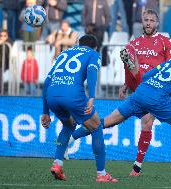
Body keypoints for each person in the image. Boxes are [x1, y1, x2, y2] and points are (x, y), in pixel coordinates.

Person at [68, 36, 171, 181]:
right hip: (159, 98)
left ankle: (71, 138)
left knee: (106, 122)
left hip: (141, 92)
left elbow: (147, 75)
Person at [71, 9, 171, 176]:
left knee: (147, 122)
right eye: (145, 20)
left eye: (151, 20)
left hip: (155, 89)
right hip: (138, 89)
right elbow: (129, 66)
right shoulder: (136, 43)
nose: (148, 23)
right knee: (108, 122)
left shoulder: (165, 42)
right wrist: (126, 83)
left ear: (157, 23)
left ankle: (136, 168)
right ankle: (72, 137)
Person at [41, 35, 118, 182]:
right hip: (73, 95)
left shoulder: (64, 53)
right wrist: (92, 96)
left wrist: (45, 111)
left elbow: (46, 82)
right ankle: (101, 174)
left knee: (69, 125)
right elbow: (91, 72)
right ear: (95, 47)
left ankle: (57, 164)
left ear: (78, 44)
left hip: (52, 95)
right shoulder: (93, 54)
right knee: (96, 127)